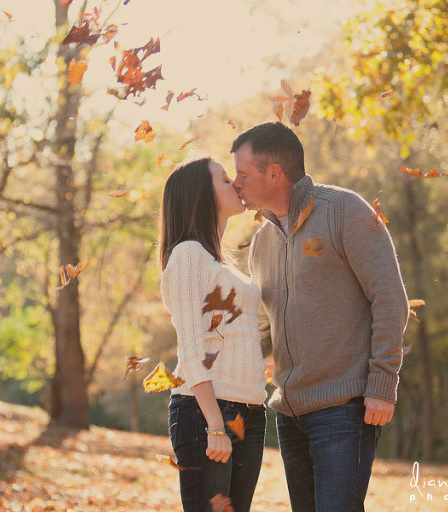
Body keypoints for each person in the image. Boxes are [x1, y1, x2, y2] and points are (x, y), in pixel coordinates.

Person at [230, 122, 409, 512]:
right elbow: (265, 329)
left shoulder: (345, 211)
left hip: (343, 409)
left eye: (243, 174)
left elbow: (390, 298)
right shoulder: (261, 243)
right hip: (289, 414)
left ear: (273, 173)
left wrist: (383, 383)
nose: (235, 183)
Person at [159, 157, 268, 512]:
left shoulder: (220, 263)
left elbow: (242, 337)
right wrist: (216, 425)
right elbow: (191, 350)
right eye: (224, 179)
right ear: (201, 195)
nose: (235, 183)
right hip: (207, 411)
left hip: (249, 411)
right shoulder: (188, 254)